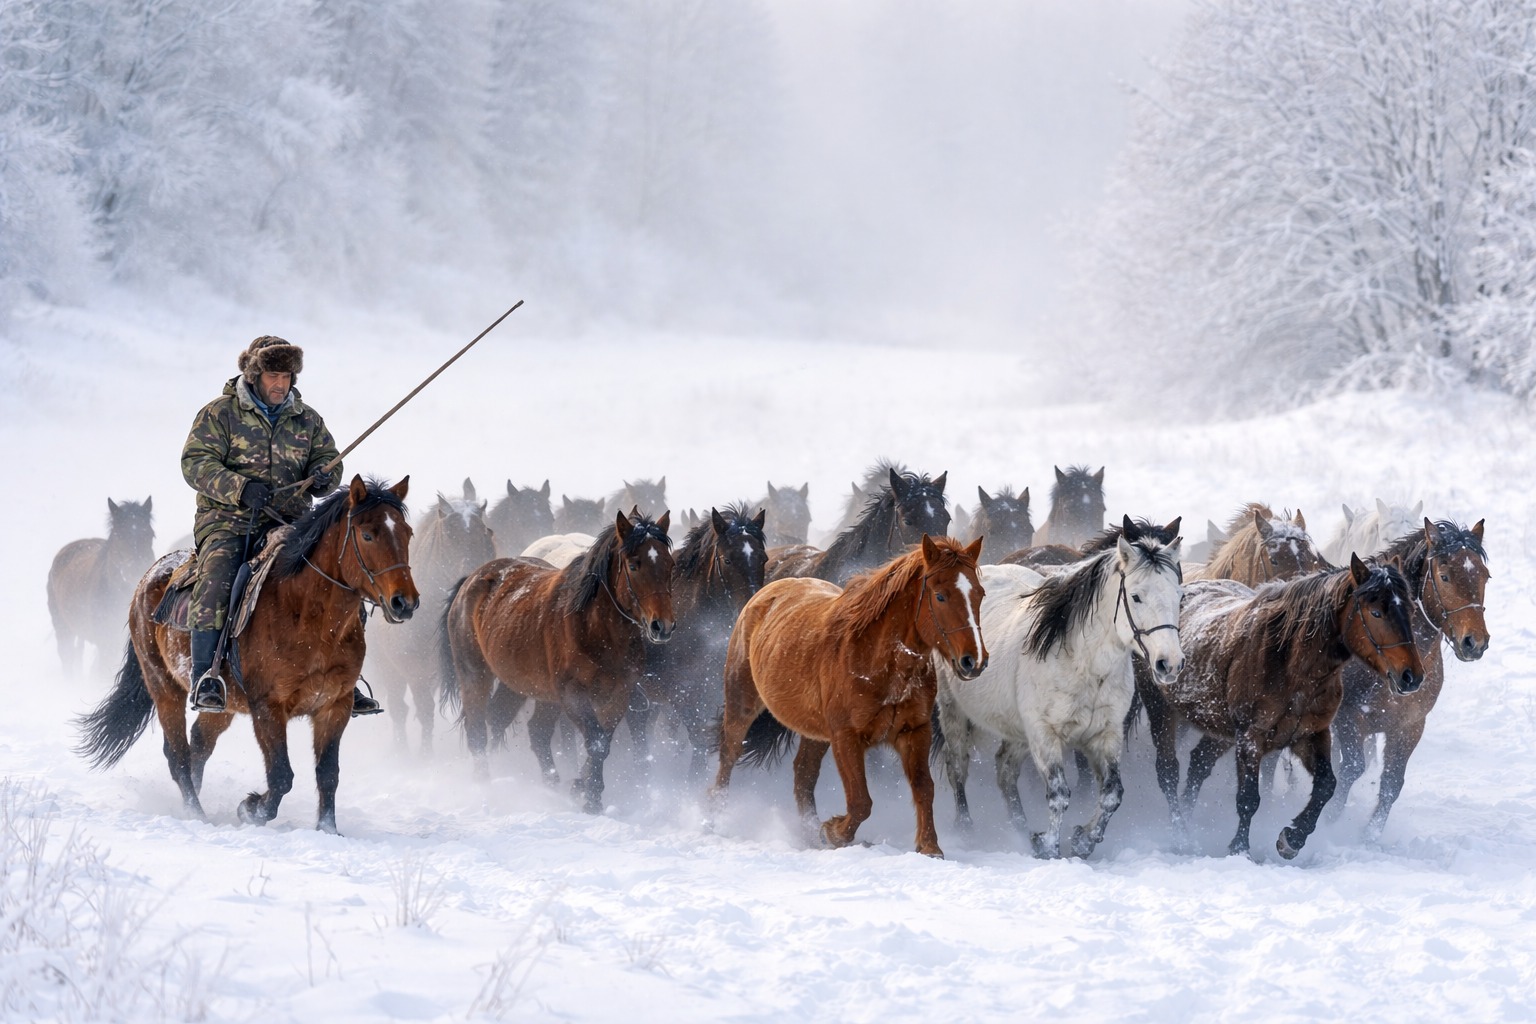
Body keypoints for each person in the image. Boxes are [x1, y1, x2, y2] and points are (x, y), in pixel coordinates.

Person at [181, 335, 381, 716]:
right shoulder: (219, 414)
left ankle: (345, 681)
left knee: (343, 580)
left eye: (287, 376)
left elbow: (328, 459)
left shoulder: (307, 418)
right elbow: (194, 464)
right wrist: (241, 489)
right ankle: (206, 676)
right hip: (229, 521)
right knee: (218, 578)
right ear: (255, 375)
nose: (281, 384)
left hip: (291, 522)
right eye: (274, 375)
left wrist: (323, 476)